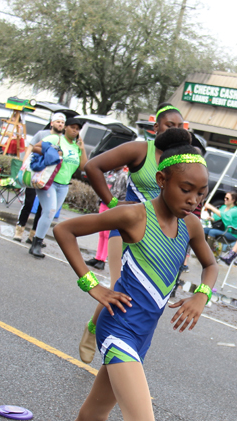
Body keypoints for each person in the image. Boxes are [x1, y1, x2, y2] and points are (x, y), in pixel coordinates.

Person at [31, 128, 217, 421]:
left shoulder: (190, 225)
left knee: (92, 418)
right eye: (186, 189)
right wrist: (92, 285)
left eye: (202, 192)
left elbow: (211, 265)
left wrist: (199, 297)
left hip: (142, 336)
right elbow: (64, 229)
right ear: (163, 181)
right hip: (117, 331)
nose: (194, 199)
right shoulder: (134, 215)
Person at [78, 103, 187, 362]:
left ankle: (124, 351)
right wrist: (113, 203)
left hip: (160, 241)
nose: (174, 129)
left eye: (179, 126)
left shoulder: (183, 161)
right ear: (156, 127)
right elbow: (92, 167)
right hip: (128, 230)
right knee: (120, 287)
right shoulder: (140, 150)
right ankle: (95, 329)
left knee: (147, 298)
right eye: (169, 125)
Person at [28, 116, 88, 257]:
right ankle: (36, 243)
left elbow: (83, 166)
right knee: (50, 211)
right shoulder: (56, 139)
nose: (74, 130)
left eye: (77, 129)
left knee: (50, 213)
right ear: (66, 127)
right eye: (72, 127)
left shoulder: (76, 147)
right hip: (49, 182)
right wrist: (53, 152)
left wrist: (83, 148)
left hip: (64, 186)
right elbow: (36, 147)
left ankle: (36, 239)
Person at [14, 113, 66, 242]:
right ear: (52, 123)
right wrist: (24, 166)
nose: (60, 124)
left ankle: (33, 235)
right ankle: (19, 229)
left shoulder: (63, 140)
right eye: (58, 121)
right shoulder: (42, 134)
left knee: (43, 207)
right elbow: (30, 148)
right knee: (29, 201)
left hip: (49, 176)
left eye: (62, 122)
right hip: (35, 171)